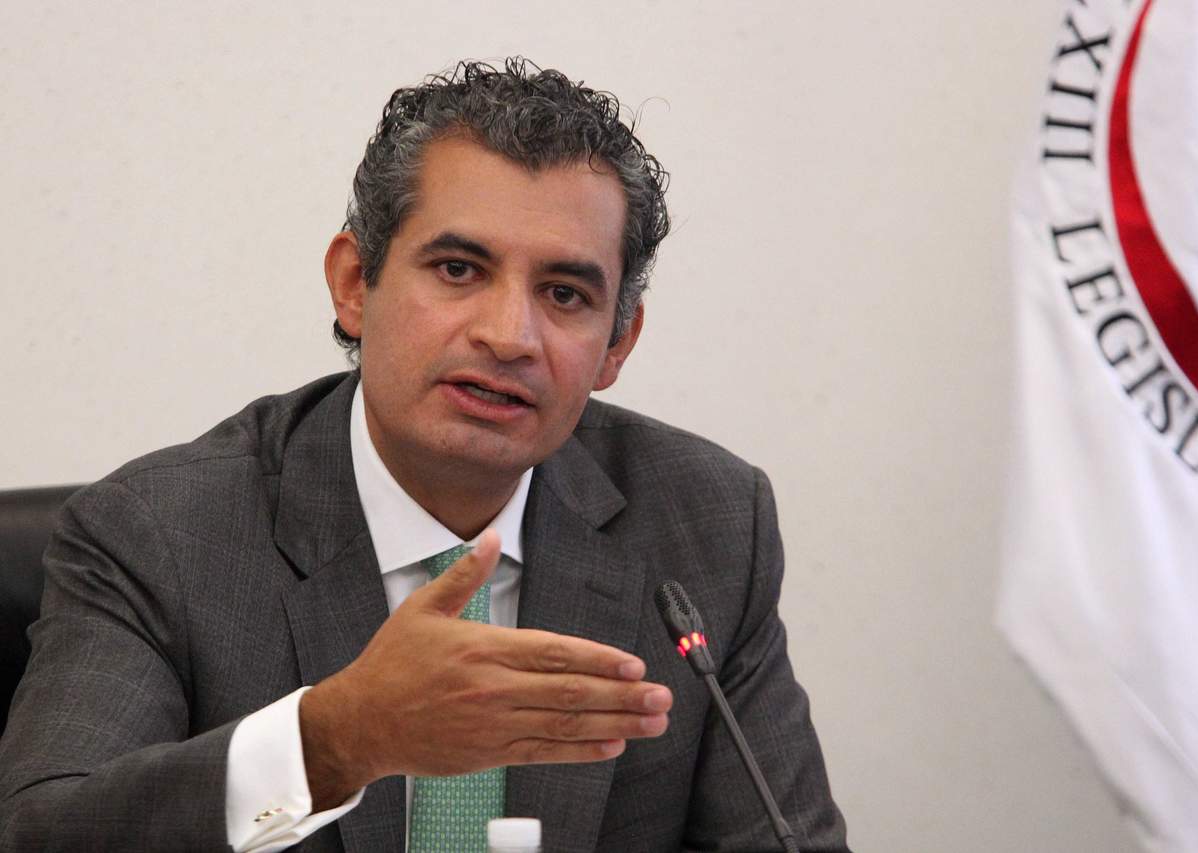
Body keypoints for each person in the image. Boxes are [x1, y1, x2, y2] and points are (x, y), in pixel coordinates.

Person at [0, 59, 849, 852]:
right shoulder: (158, 535)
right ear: (354, 283)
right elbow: (46, 832)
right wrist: (336, 739)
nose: (509, 335)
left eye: (564, 293)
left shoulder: (707, 524)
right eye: (458, 269)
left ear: (617, 342)